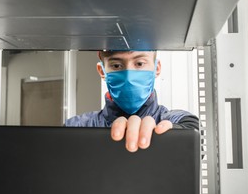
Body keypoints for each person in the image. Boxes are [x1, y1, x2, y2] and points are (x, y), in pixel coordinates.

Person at [65, 50, 199, 152]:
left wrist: (168, 135)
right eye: (116, 65)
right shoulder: (75, 128)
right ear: (102, 71)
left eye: (139, 63)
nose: (129, 76)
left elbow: (194, 133)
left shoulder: (174, 120)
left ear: (156, 68)